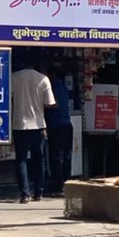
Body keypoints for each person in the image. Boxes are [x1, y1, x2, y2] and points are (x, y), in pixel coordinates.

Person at [12, 60, 56, 203]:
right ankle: (39, 192)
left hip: (19, 124)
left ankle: (25, 194)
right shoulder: (43, 79)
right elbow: (50, 103)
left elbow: (7, 97)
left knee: (21, 158)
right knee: (39, 159)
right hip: (38, 125)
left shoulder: (14, 77)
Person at [45, 66, 74, 196]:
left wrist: (40, 105)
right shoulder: (63, 87)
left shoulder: (55, 87)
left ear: (53, 75)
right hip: (66, 125)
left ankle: (58, 185)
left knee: (57, 157)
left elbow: (54, 104)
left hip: (57, 126)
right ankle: (66, 184)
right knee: (66, 157)